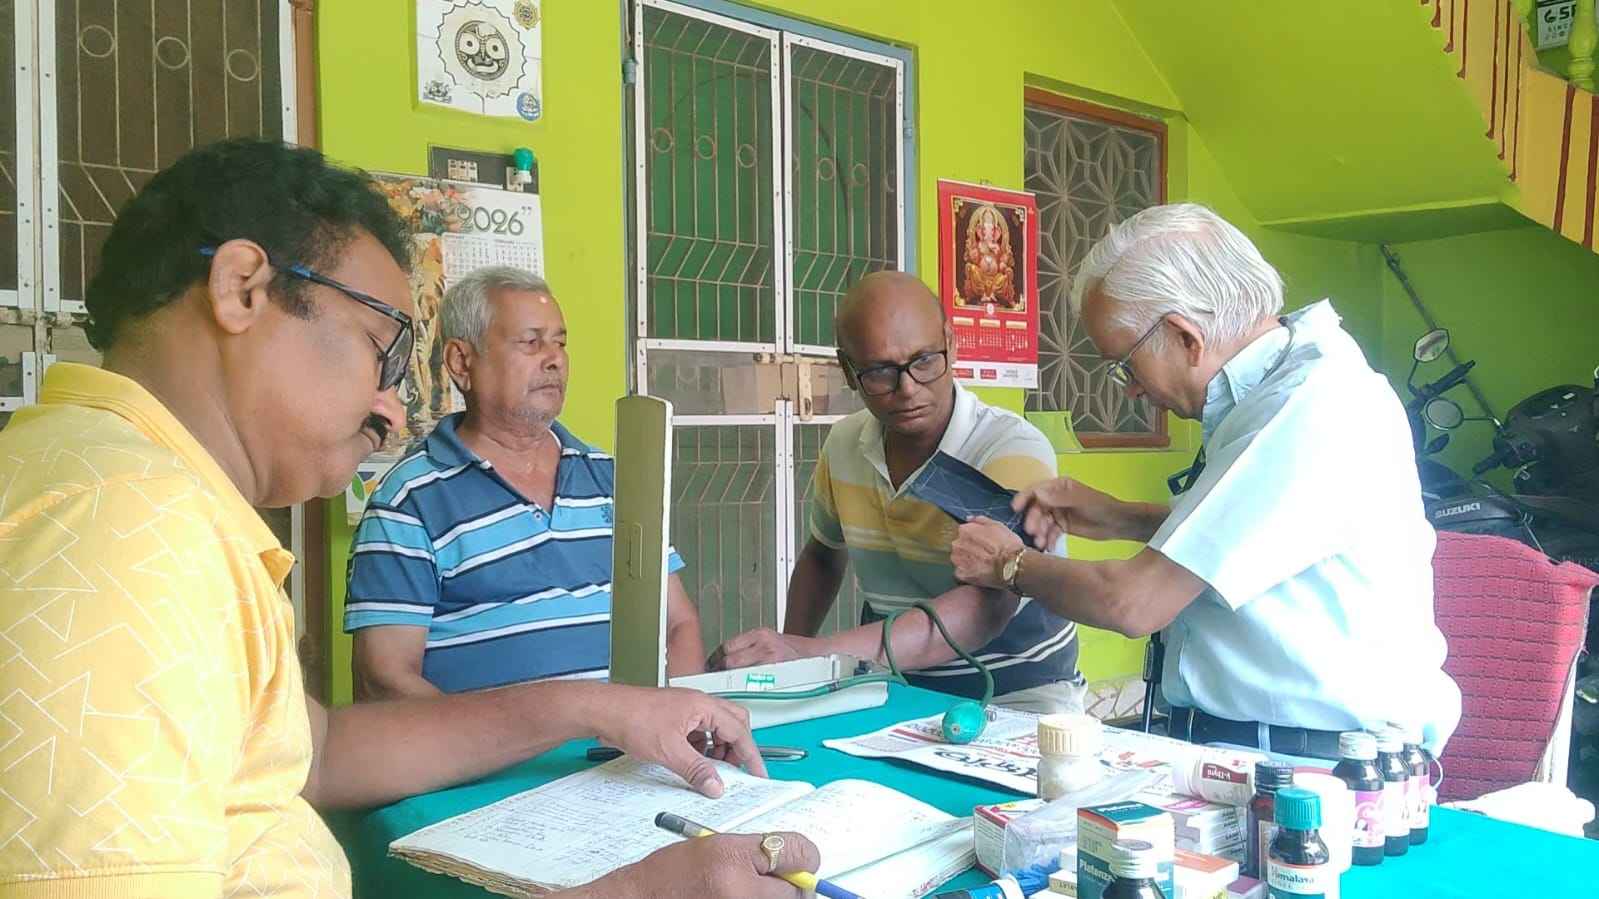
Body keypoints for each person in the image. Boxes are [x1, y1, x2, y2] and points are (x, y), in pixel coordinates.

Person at [0, 138, 815, 899]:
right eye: (379, 347)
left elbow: (318, 752)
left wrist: (596, 706)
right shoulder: (124, 532)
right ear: (242, 288)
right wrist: (628, 890)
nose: (390, 408)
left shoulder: (132, 493)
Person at [950, 203, 1462, 757]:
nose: (1131, 389)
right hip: (1251, 746)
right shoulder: (1275, 388)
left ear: (1185, 337)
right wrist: (1123, 517)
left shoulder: (1308, 405)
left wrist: (1008, 564)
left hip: (1313, 762)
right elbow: (1256, 536)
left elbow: (1132, 602)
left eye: (1124, 365)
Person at [710, 271, 1085, 714]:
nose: (907, 389)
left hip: (1019, 689)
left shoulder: (1009, 448)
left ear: (951, 342)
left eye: (924, 360)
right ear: (849, 370)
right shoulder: (844, 445)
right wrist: (790, 662)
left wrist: (814, 653)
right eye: (880, 371)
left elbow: (988, 605)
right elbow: (823, 556)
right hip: (890, 683)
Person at [345, 266, 704, 698]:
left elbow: (677, 624)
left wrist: (675, 721)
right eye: (531, 342)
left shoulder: (613, 477)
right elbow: (384, 679)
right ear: (461, 362)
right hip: (490, 743)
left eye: (560, 343)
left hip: (634, 739)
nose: (554, 359)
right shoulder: (408, 501)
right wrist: (524, 732)